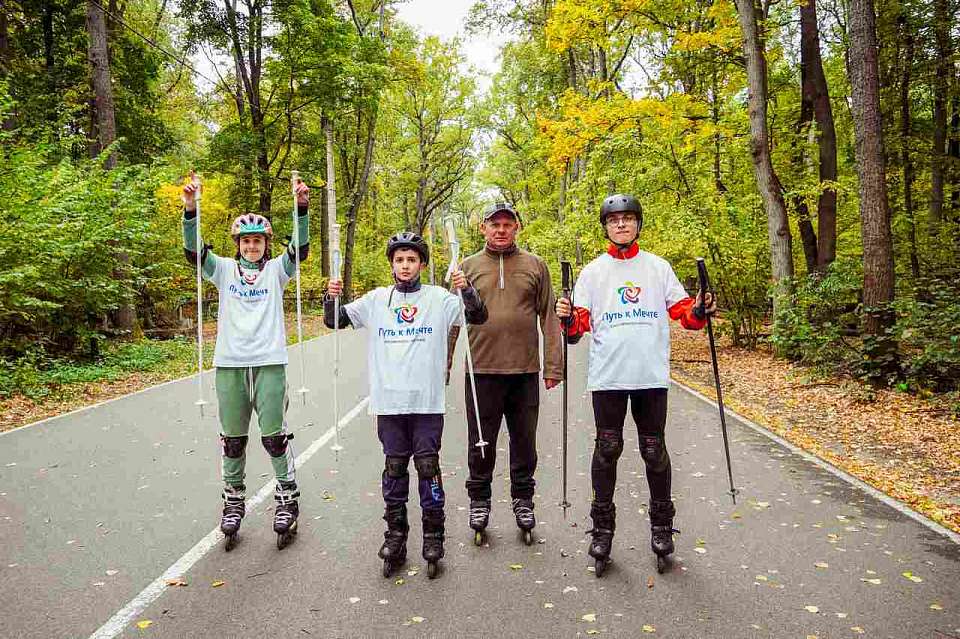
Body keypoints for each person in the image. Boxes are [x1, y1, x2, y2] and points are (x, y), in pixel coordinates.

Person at [555, 193, 716, 575]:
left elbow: (685, 316)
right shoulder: (593, 272)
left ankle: (662, 527)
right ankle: (602, 530)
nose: (621, 225)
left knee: (653, 450)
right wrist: (565, 317)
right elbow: (578, 328)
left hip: (650, 377)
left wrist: (699, 308)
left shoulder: (657, 268)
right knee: (607, 449)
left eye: (628, 219)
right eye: (614, 220)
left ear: (638, 224)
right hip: (608, 377)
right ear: (606, 227)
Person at [325, 231, 487, 578]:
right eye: (399, 259)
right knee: (395, 469)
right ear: (392, 264)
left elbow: (476, 315)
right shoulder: (375, 300)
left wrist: (466, 287)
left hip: (427, 402)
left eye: (411, 259)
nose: (405, 265)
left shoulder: (440, 299)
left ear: (422, 264)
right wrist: (331, 296)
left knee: (428, 467)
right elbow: (334, 320)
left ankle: (433, 536)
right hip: (389, 402)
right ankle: (396, 537)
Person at [181, 172, 311, 550]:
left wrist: (301, 207)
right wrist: (191, 209)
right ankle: (233, 501)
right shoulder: (222, 269)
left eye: (257, 241)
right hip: (230, 364)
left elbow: (299, 250)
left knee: (273, 437)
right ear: (237, 244)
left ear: (266, 244)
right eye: (246, 241)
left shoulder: (276, 271)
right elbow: (194, 252)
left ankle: (287, 497)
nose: (251, 246)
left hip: (269, 362)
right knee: (233, 441)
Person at [447, 202, 563, 546]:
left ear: (517, 227)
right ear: (483, 228)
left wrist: (553, 365)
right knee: (481, 444)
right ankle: (479, 501)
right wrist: (442, 365)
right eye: (494, 224)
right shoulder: (464, 267)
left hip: (524, 371)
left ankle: (523, 501)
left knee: (524, 442)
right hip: (481, 371)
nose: (500, 229)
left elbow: (549, 317)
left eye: (507, 224)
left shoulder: (535, 266)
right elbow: (452, 321)